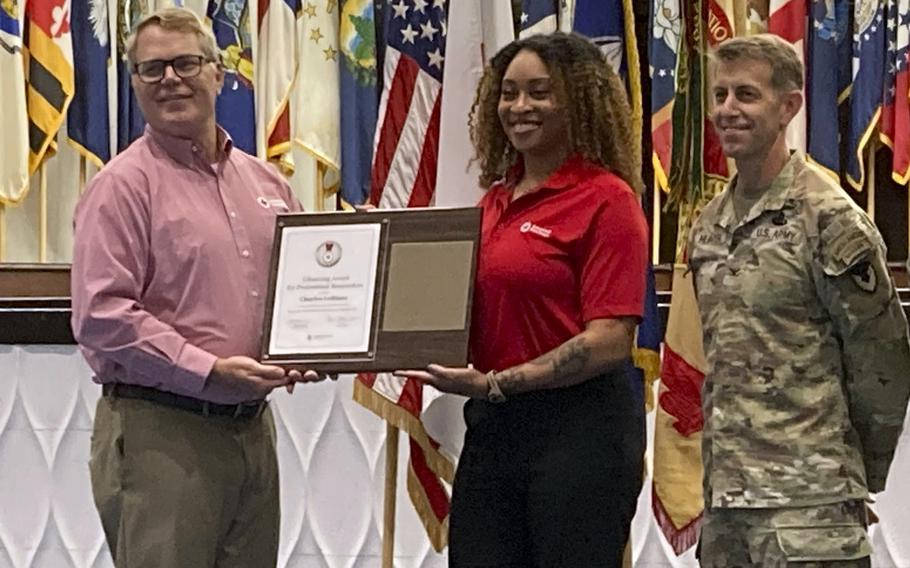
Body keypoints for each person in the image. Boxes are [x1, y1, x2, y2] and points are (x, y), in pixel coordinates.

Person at [70, 8, 326, 567]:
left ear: (219, 73)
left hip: (254, 430)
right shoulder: (120, 188)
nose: (170, 79)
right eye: (151, 68)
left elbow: (304, 290)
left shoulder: (269, 185)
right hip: (161, 432)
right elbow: (102, 316)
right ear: (134, 83)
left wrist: (315, 348)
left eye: (186, 63)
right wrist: (206, 369)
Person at [396, 32, 649, 566]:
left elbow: (610, 341)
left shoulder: (608, 200)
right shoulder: (493, 202)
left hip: (581, 435)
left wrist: (495, 384)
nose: (519, 107)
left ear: (579, 101)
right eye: (508, 93)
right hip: (494, 429)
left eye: (539, 92)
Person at [688, 34, 910, 567]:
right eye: (720, 95)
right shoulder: (709, 226)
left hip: (810, 509)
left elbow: (882, 360)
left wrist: (854, 474)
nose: (727, 110)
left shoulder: (828, 219)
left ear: (789, 106)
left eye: (746, 94)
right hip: (727, 510)